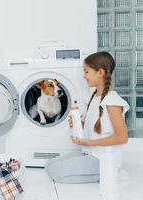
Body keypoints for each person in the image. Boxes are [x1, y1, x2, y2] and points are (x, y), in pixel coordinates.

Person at [45, 51, 130, 184]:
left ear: (100, 72)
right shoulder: (95, 97)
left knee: (55, 171)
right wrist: (80, 124)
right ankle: (101, 173)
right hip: (90, 153)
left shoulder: (112, 101)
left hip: (103, 158)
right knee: (49, 165)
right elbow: (99, 128)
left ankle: (108, 173)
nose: (84, 76)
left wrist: (89, 143)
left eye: (86, 72)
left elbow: (122, 137)